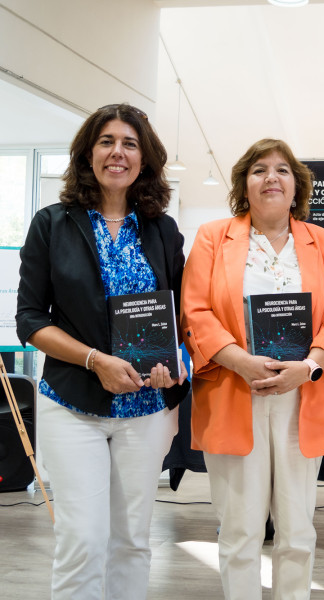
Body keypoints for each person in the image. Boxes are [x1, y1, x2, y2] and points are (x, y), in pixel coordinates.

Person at [16, 102, 189, 599]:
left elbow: (182, 317)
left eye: (130, 143)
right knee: (82, 539)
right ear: (88, 153)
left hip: (147, 407)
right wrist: (95, 359)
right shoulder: (52, 224)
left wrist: (179, 358)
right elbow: (31, 318)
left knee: (133, 541)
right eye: (107, 141)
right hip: (73, 401)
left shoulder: (162, 230)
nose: (118, 152)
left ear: (145, 158)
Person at [181, 139, 324, 600]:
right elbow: (195, 313)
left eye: (282, 170)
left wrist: (311, 366)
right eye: (259, 170)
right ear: (244, 184)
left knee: (298, 529)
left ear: (297, 186)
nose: (271, 178)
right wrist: (239, 361)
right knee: (239, 529)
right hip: (235, 392)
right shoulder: (212, 237)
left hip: (303, 396)